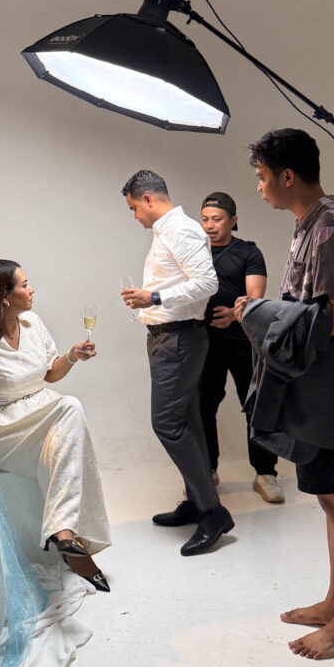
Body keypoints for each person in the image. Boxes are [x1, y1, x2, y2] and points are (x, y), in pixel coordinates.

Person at [235, 129, 334, 660]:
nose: (260, 187)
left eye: (262, 176)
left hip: (332, 386)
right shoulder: (309, 225)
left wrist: (262, 312)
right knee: (328, 500)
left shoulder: (331, 228)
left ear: (287, 175)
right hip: (317, 382)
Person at [0, 260, 112, 592]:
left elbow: (50, 374)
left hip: (41, 410)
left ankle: (63, 532)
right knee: (69, 408)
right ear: (4, 296)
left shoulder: (33, 324)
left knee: (69, 408)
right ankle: (66, 535)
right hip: (2, 428)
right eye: (24, 284)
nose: (32, 289)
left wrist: (72, 356)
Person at [121, 170, 234, 556]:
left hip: (179, 341)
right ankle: (197, 502)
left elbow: (207, 283)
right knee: (187, 421)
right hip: (168, 339)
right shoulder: (166, 231)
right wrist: (150, 301)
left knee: (167, 424)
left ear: (148, 199)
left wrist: (153, 298)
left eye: (134, 208)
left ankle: (213, 513)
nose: (135, 215)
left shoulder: (181, 230)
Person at [198, 191, 284, 504]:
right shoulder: (194, 252)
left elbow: (255, 298)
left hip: (244, 343)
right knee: (202, 405)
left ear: (233, 220)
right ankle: (207, 471)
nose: (210, 225)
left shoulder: (248, 251)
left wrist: (235, 316)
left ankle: (266, 474)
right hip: (203, 343)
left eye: (217, 219)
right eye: (205, 219)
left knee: (256, 404)